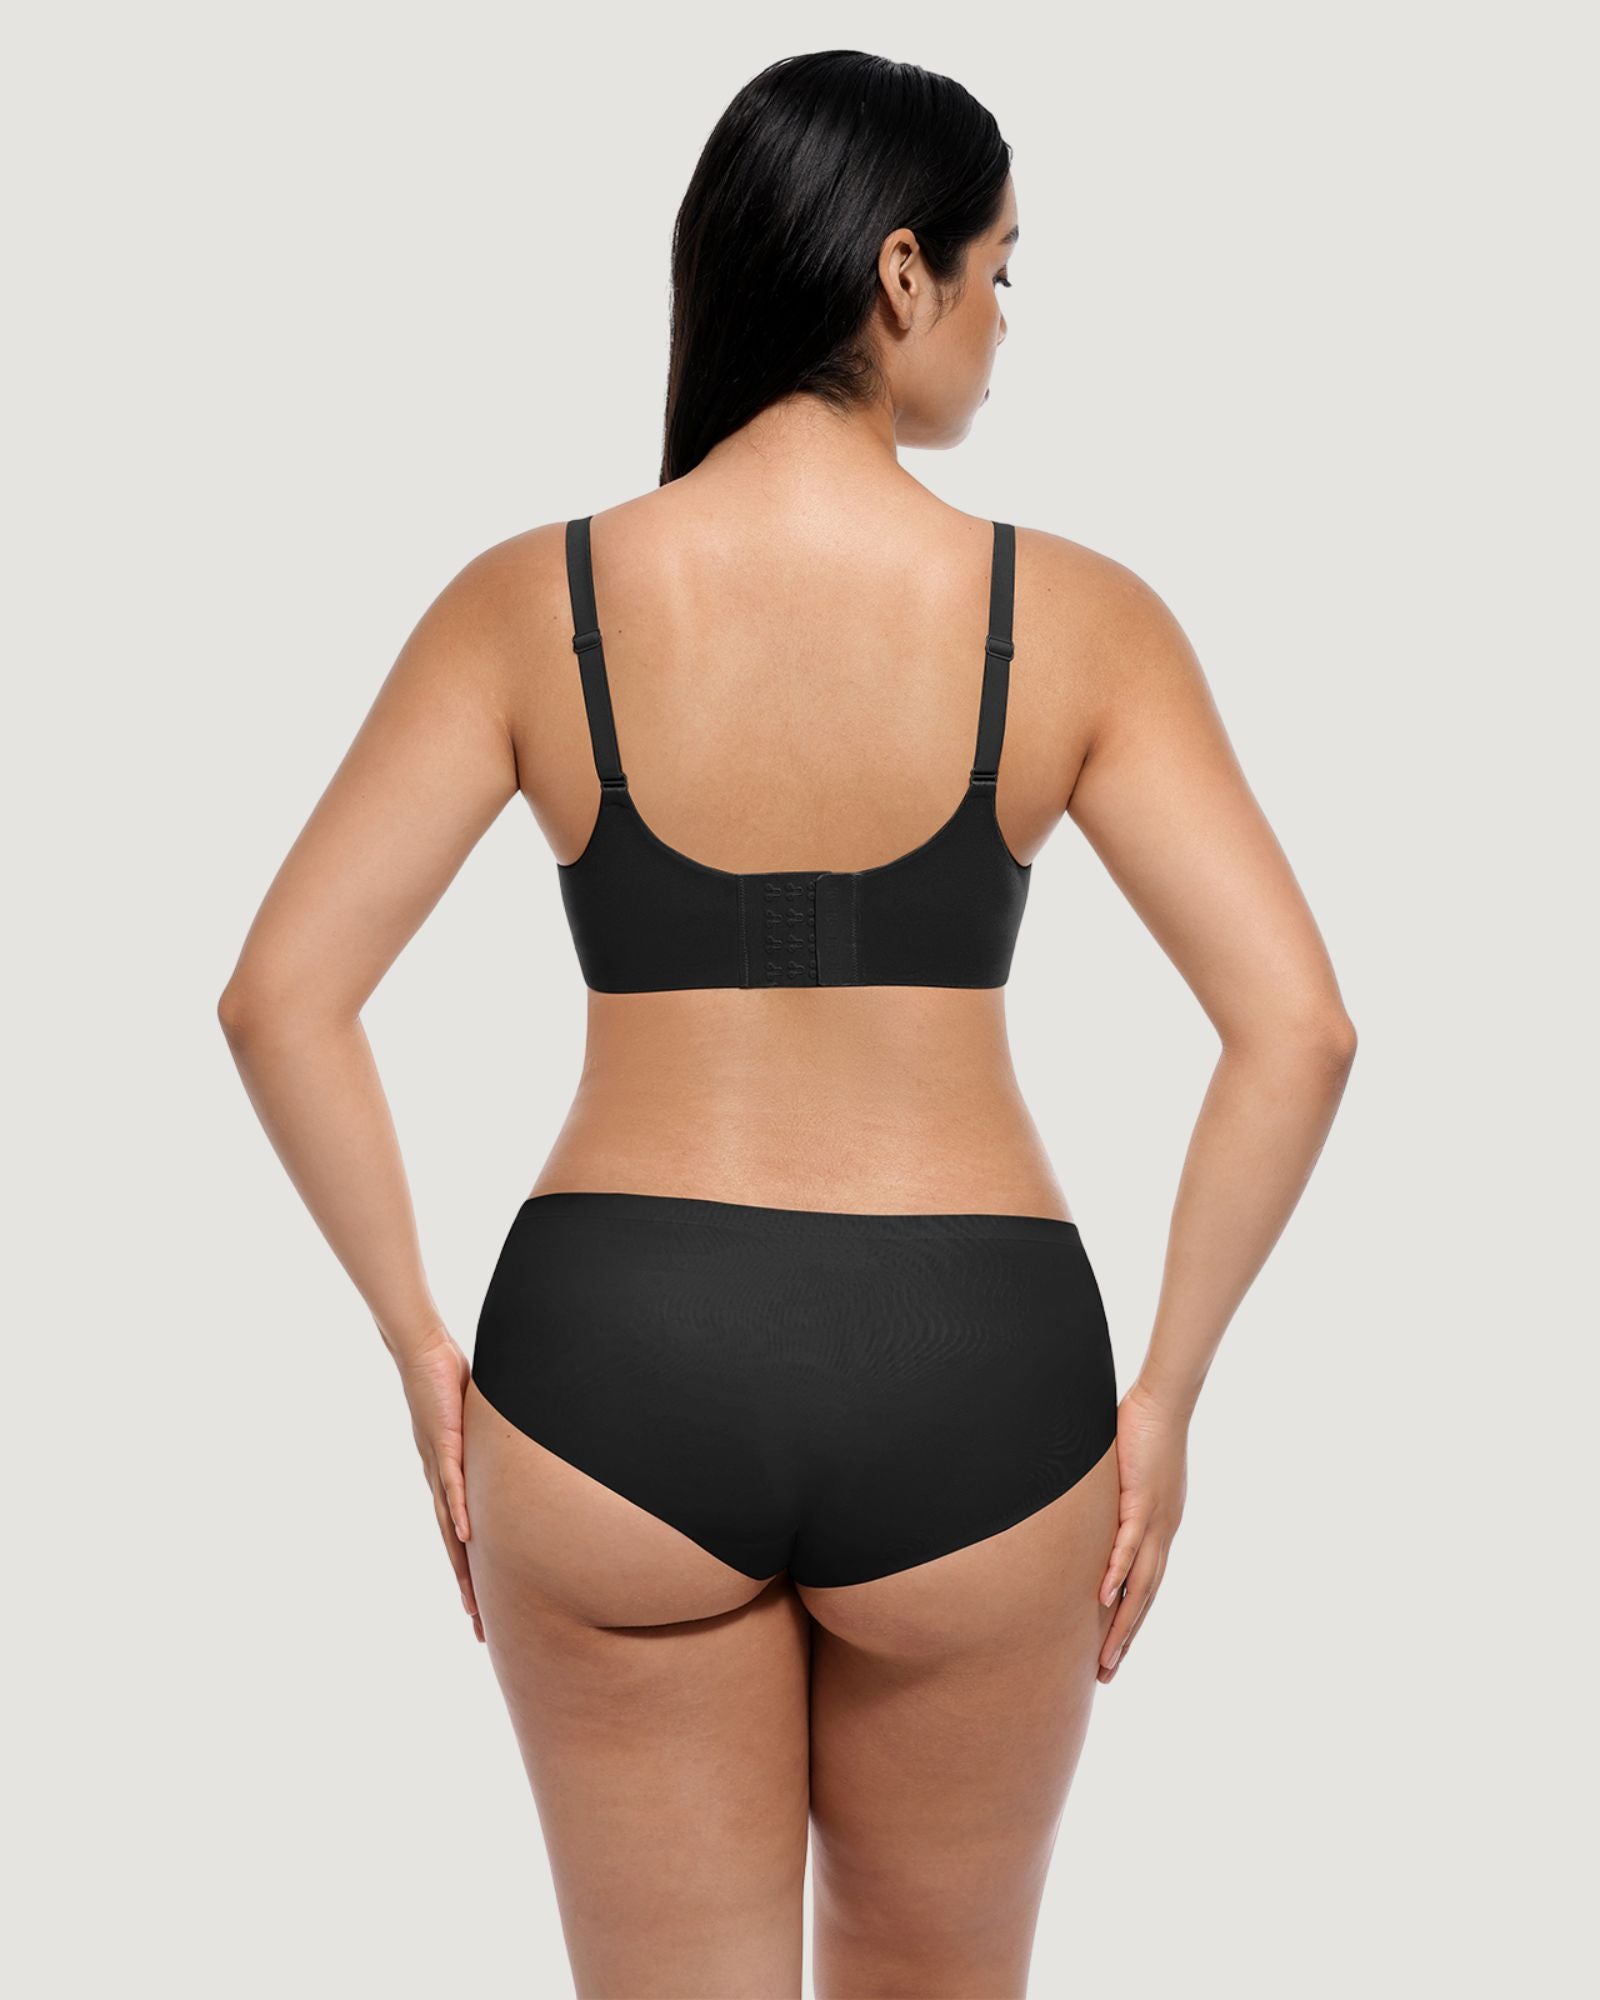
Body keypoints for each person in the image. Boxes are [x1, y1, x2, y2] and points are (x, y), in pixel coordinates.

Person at [219, 49, 1356, 2000]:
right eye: (1001, 271)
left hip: (612, 1362)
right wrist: (1165, 1394)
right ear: (901, 273)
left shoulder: (538, 601)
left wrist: (419, 1345)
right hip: (977, 1371)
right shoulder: (1073, 618)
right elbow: (1298, 1029)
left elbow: (280, 995)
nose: (1005, 323)